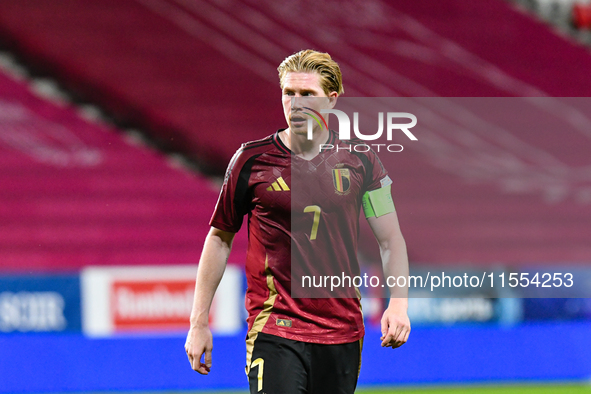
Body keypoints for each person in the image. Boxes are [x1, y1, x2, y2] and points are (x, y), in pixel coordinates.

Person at [185, 49, 410, 394]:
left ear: (331, 100)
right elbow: (219, 238)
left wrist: (398, 302)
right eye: (289, 93)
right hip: (275, 328)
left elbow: (390, 239)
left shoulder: (363, 162)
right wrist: (199, 322)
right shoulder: (251, 160)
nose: (296, 103)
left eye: (308, 94)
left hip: (342, 330)